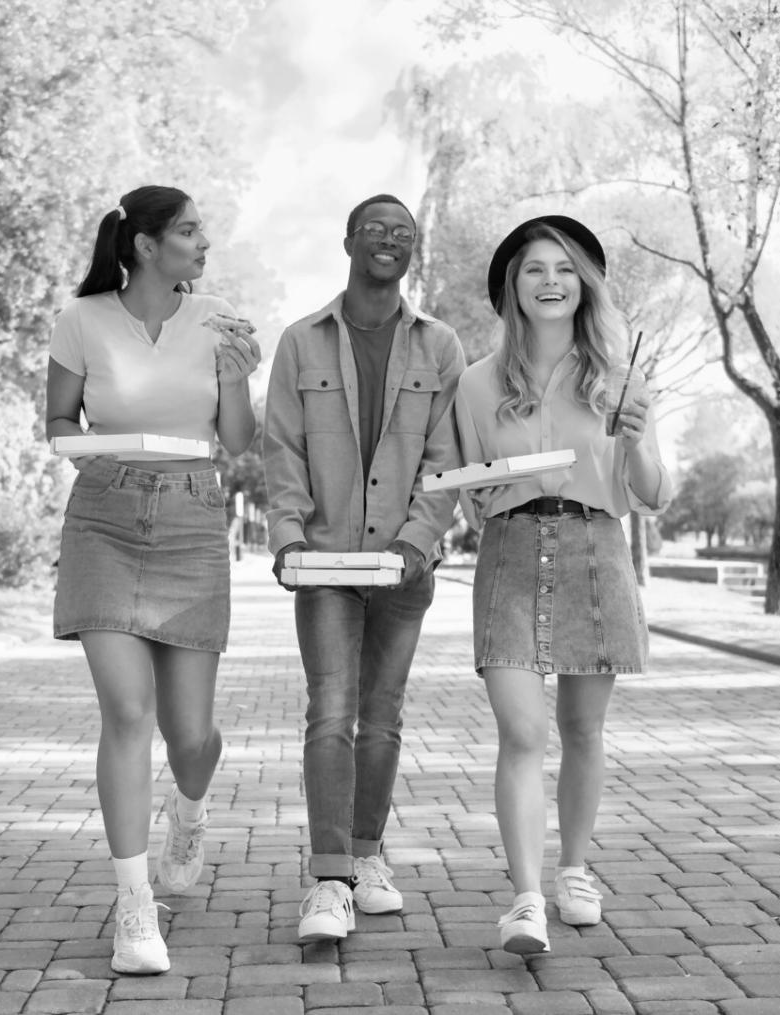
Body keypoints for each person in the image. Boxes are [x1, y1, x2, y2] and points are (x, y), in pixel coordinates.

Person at [45, 185, 262, 975]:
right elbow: (59, 422)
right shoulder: (83, 320)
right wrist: (94, 447)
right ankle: (134, 906)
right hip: (103, 514)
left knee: (190, 734)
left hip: (192, 519)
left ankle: (191, 808)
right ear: (143, 245)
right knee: (127, 713)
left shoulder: (219, 319)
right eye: (189, 232)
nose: (204, 244)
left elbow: (239, 443)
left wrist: (237, 378)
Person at [452, 215, 672, 955]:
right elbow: (465, 487)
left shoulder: (619, 377)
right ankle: (524, 897)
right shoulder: (478, 384)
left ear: (585, 284)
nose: (550, 280)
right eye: (534, 268)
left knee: (581, 728)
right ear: (512, 286)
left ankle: (574, 869)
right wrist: (493, 487)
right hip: (511, 550)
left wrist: (635, 436)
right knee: (521, 730)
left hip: (594, 547)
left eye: (565, 268)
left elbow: (655, 491)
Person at [263, 194, 466, 943]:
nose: (390, 240)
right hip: (324, 563)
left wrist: (418, 539)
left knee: (382, 715)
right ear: (348, 240)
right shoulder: (300, 341)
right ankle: (327, 878)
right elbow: (280, 447)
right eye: (376, 229)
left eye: (404, 233)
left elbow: (447, 457)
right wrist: (287, 536)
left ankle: (368, 856)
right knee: (331, 711)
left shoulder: (439, 345)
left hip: (403, 566)